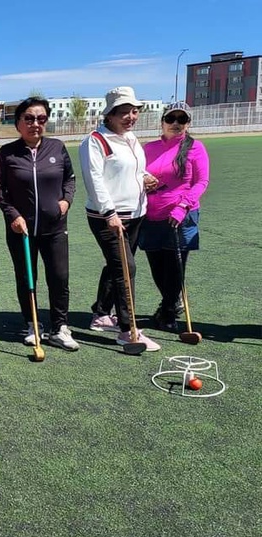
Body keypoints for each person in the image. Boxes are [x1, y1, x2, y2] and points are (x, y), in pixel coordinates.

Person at [0, 97, 79, 351]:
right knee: (26, 278)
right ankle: (32, 324)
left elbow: (70, 179)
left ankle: (60, 327)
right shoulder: (7, 153)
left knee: (59, 278)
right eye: (29, 118)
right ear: (18, 122)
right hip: (22, 230)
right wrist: (12, 215)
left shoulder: (57, 147)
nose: (35, 124)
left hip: (54, 228)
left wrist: (66, 201)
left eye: (41, 119)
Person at [79, 86, 160, 351]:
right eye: (124, 112)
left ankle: (101, 314)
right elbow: (95, 180)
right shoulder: (95, 141)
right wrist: (109, 213)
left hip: (136, 213)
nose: (131, 117)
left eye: (134, 111)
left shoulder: (131, 138)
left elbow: (133, 168)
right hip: (109, 218)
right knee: (127, 268)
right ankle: (128, 330)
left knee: (117, 265)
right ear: (110, 115)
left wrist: (145, 176)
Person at [139, 102, 209, 332]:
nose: (176, 124)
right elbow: (137, 174)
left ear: (188, 124)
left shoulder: (194, 147)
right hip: (151, 215)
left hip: (180, 215)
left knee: (175, 268)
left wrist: (182, 207)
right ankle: (170, 303)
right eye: (171, 119)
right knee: (157, 267)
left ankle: (168, 311)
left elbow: (201, 181)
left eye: (182, 119)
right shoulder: (149, 148)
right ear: (163, 122)